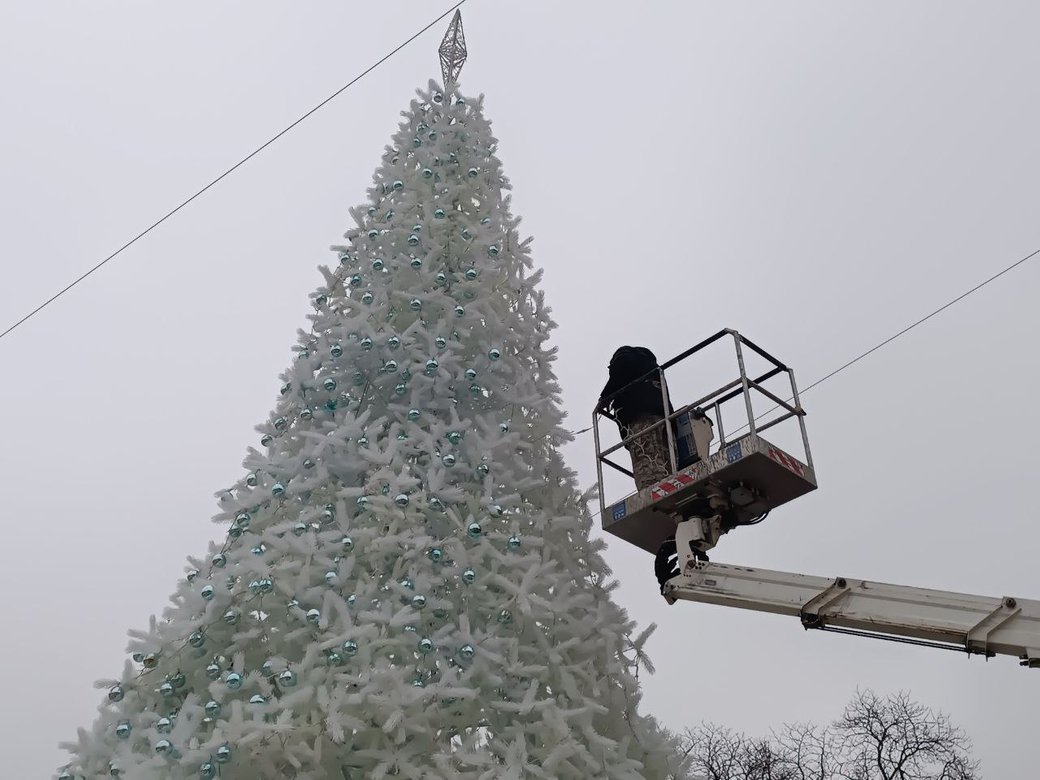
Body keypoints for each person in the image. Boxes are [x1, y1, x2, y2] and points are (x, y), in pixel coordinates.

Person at [597, 346, 675, 490]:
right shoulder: (652, 371)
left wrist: (606, 396)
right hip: (664, 419)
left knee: (649, 469)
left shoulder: (625, 356)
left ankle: (653, 492)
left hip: (640, 421)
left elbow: (622, 365)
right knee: (668, 464)